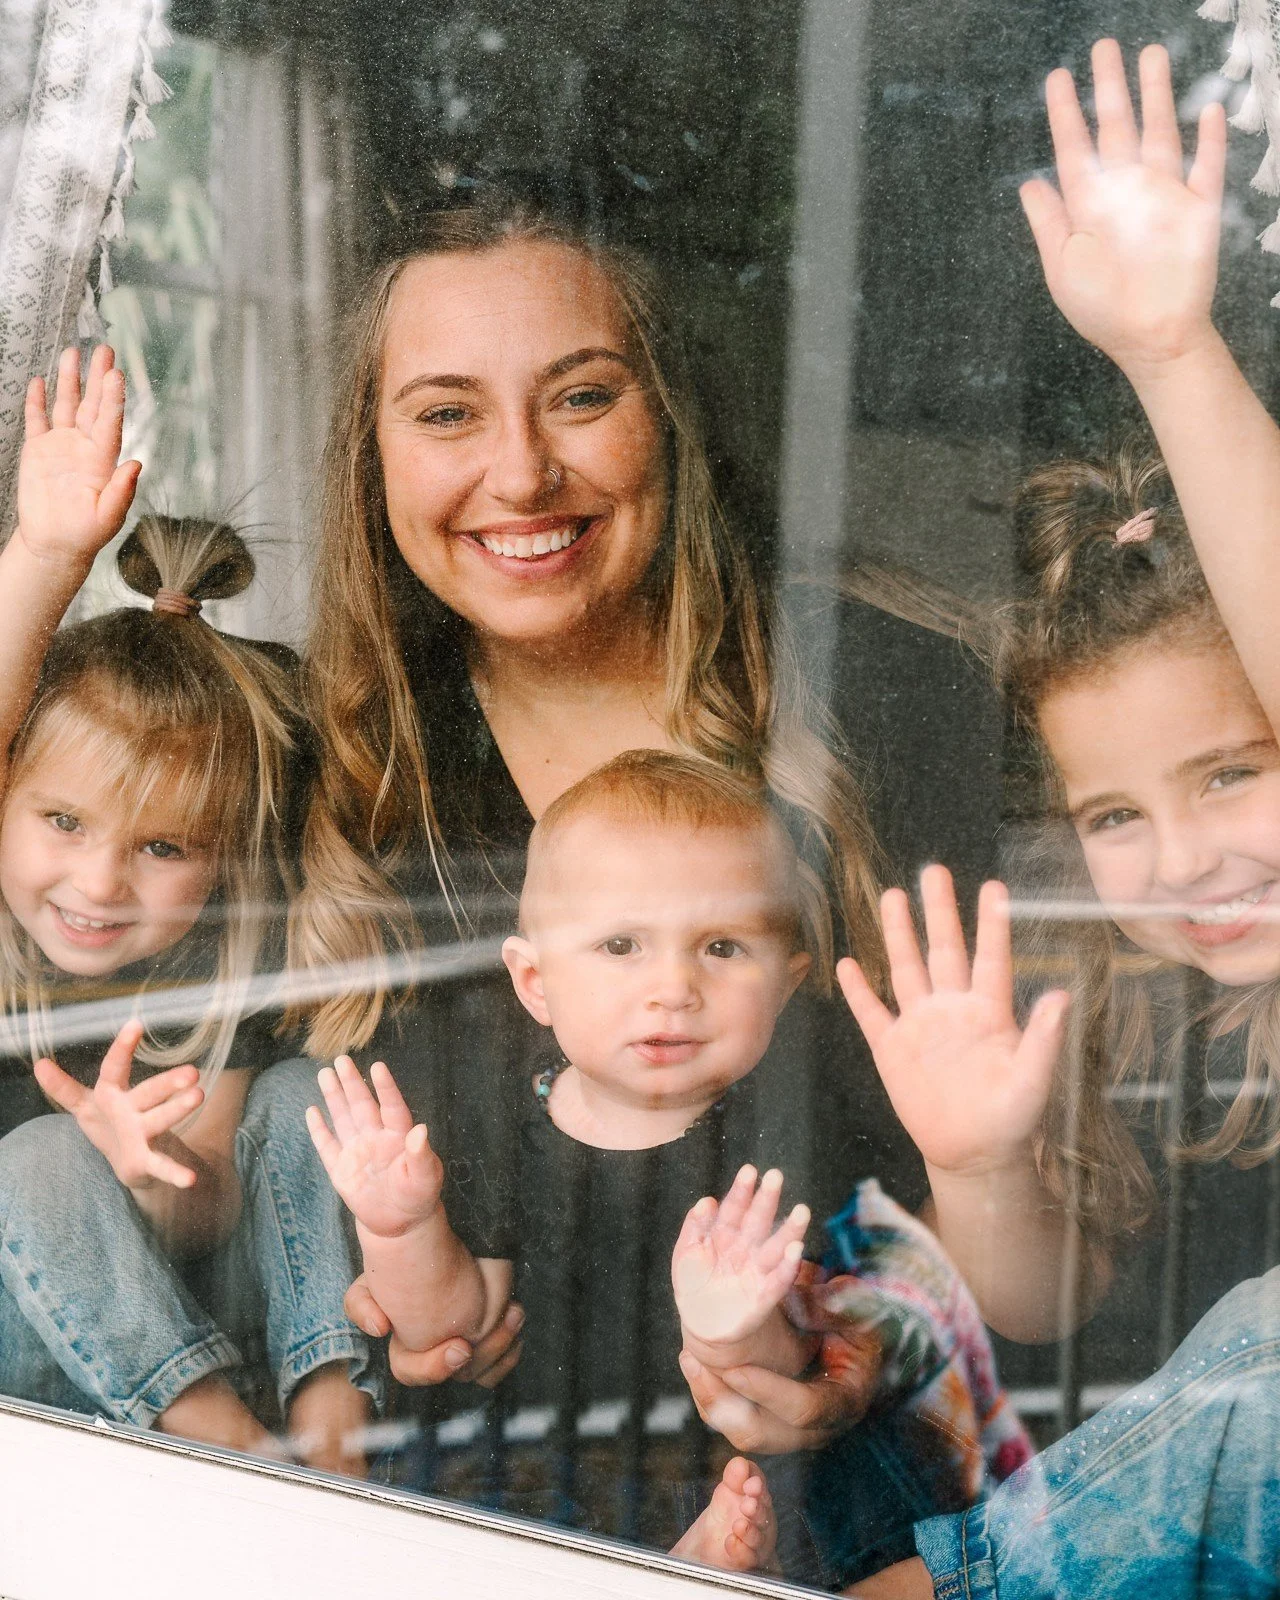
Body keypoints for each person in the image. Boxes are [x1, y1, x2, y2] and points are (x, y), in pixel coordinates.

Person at [699, 35, 1280, 1599]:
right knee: (870, 1300)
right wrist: (981, 1163)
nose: (1186, 856)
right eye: (1116, 813)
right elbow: (1043, 1302)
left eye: (1237, 772)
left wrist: (1174, 355)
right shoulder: (1125, 1000)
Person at [282, 180, 1008, 1427]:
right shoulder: (341, 750)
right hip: (474, 1485)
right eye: (447, 413)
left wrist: (860, 1356)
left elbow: (1017, 1189)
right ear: (371, 459)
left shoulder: (880, 689)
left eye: (581, 396)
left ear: (667, 413)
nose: (521, 473)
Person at [0, 346, 376, 1473]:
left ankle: (334, 1431)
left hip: (202, 1323)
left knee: (310, 1096)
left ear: (222, 862)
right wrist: (46, 556)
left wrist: (144, 1174)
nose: (99, 882)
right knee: (39, 1159)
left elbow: (204, 1222)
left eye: (161, 847)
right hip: (39, 1366)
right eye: (63, 821)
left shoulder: (218, 976)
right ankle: (242, 1459)